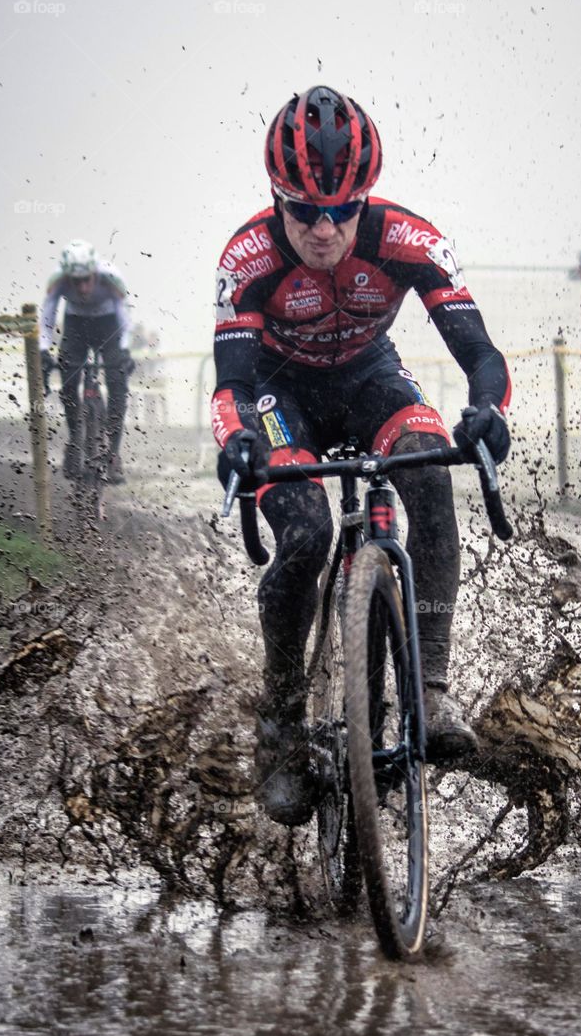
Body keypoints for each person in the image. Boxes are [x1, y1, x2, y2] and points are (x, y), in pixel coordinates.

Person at [212, 84, 511, 826]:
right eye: (304, 210)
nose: (323, 228)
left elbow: (480, 353)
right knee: (307, 535)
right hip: (282, 397)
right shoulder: (248, 256)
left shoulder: (407, 238)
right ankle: (280, 726)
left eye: (342, 211)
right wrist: (238, 439)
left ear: (364, 200)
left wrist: (488, 414)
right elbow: (233, 385)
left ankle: (431, 696)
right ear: (276, 196)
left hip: (370, 378)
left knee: (431, 471)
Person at [39, 240, 132, 483]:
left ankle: (112, 453)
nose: (81, 287)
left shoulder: (110, 275)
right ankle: (74, 441)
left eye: (86, 279)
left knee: (117, 382)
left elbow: (124, 312)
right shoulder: (58, 279)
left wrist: (124, 350)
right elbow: (48, 312)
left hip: (108, 324)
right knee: (68, 380)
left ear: (95, 271)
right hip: (76, 324)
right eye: (76, 281)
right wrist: (43, 349)